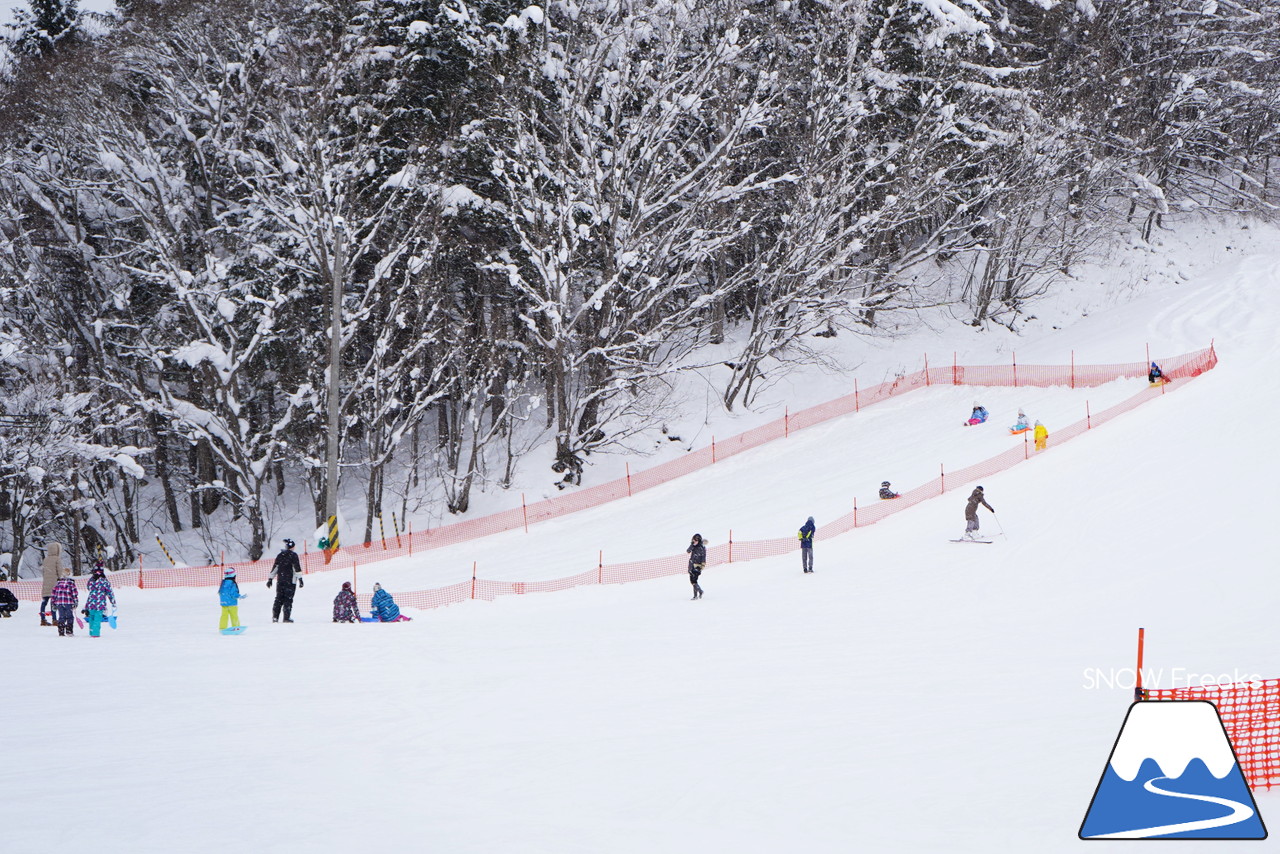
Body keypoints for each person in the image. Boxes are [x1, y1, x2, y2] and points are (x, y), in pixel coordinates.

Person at [267, 538, 303, 623]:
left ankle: (275, 617)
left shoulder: (280, 555)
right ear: (292, 547)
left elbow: (275, 568)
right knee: (288, 599)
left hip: (280, 581)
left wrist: (270, 579)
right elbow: (296, 568)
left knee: (278, 598)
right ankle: (286, 617)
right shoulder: (293, 555)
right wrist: (300, 579)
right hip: (290, 581)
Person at [84, 562, 116, 638]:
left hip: (91, 602)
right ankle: (95, 633)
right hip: (100, 603)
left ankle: (91, 631)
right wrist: (112, 601)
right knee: (97, 618)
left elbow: (88, 587)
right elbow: (109, 592)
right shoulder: (104, 581)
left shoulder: (91, 580)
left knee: (91, 617)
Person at [40, 541, 66, 627]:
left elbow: (43, 572)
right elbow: (59, 571)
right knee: (53, 602)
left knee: (44, 601)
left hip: (46, 583)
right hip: (55, 583)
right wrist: (61, 578)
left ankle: (43, 619)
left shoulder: (46, 559)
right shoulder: (57, 559)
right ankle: (54, 619)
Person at [51, 568, 78, 637]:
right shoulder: (71, 583)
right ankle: (69, 631)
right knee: (69, 617)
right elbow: (74, 593)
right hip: (68, 602)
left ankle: (61, 631)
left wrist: (53, 602)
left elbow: (54, 593)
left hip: (59, 603)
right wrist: (75, 601)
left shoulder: (58, 583)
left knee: (61, 617)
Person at [219, 567, 246, 631]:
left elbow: (221, 592)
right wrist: (239, 596)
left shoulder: (223, 583)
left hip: (224, 603)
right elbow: (233, 593)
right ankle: (236, 627)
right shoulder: (232, 583)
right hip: (232, 603)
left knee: (224, 616)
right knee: (234, 615)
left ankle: (222, 627)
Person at [686, 534, 705, 599]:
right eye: (693, 540)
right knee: (693, 581)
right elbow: (688, 551)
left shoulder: (701, 548)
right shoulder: (694, 546)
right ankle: (695, 595)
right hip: (691, 565)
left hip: (697, 566)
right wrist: (692, 545)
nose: (694, 541)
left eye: (696, 540)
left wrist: (702, 565)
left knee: (694, 581)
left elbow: (703, 557)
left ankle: (700, 591)